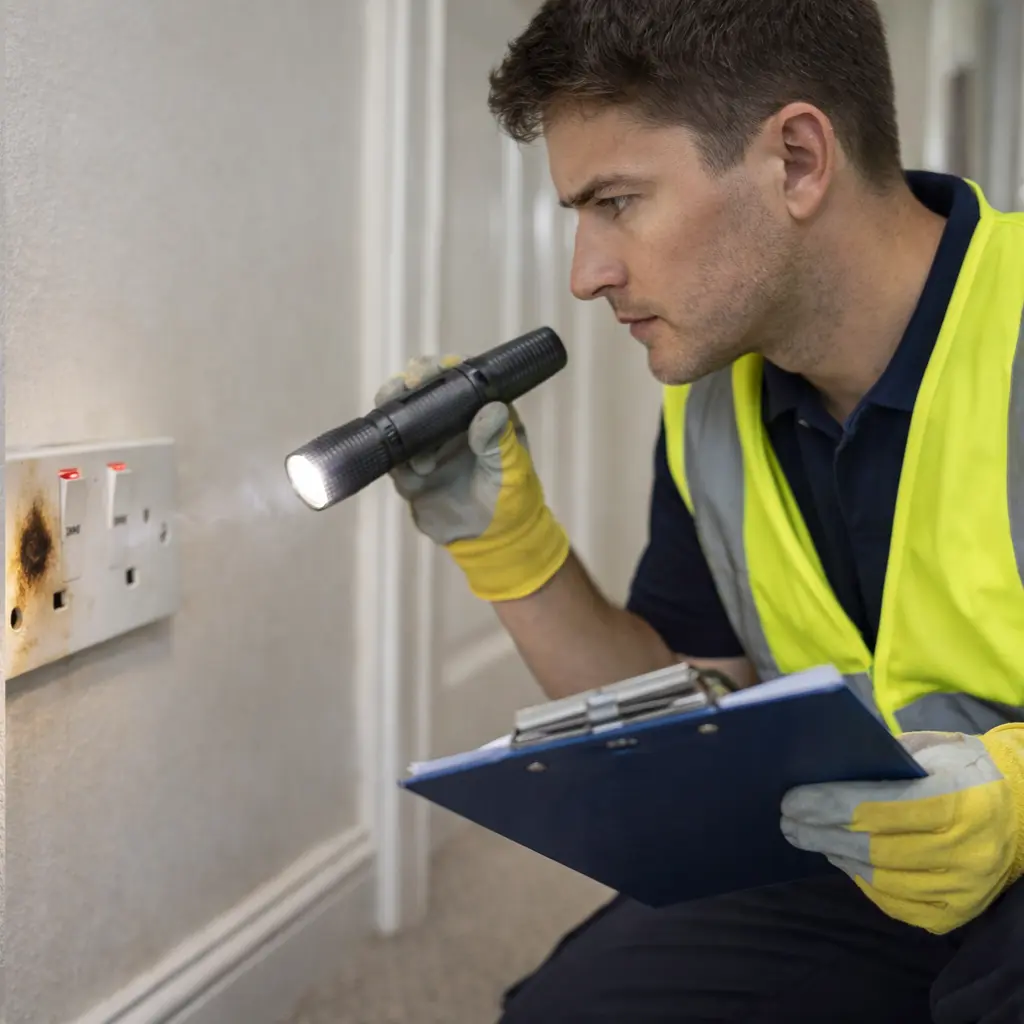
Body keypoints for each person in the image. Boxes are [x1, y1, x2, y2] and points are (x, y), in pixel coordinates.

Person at [375, 1, 1024, 1020]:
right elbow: (699, 720)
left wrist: (1015, 800)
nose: (586, 274)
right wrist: (511, 550)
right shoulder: (711, 407)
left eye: (619, 202)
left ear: (798, 159)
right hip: (870, 852)